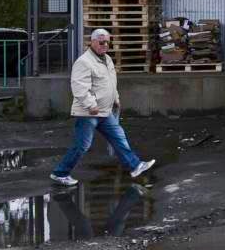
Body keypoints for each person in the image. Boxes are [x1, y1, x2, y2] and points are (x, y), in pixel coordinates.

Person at [50, 29, 155, 186]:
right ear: (92, 42)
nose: (105, 45)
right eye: (101, 42)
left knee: (118, 137)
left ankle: (135, 166)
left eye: (107, 42)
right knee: (82, 145)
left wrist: (116, 99)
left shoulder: (107, 59)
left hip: (105, 111)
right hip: (89, 112)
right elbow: (79, 87)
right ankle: (60, 173)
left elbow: (110, 83)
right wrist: (91, 105)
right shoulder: (84, 62)